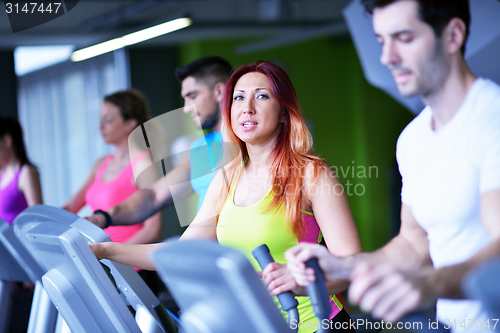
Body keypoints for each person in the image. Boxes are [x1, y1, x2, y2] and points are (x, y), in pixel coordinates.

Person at [90, 61, 362, 333]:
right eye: (239, 98)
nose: (247, 107)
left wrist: (299, 280)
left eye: (262, 96)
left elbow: (351, 266)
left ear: (283, 112)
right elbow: (178, 253)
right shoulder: (226, 179)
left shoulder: (311, 174)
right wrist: (104, 250)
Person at [285, 0, 500, 328]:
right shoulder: (413, 140)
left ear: (453, 36)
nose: (387, 57)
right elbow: (413, 244)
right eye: (382, 41)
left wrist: (426, 284)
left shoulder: (491, 119)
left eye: (404, 38)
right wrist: (346, 267)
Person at [86, 56, 232, 227]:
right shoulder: (197, 149)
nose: (186, 108)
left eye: (193, 96)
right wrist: (104, 217)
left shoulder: (250, 142)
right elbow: (154, 196)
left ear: (219, 92)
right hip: (211, 249)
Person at [62, 90, 162, 246]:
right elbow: (70, 207)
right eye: (100, 120)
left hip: (130, 265)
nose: (100, 126)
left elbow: (152, 230)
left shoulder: (143, 164)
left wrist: (117, 257)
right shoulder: (101, 164)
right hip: (102, 259)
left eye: (107, 120)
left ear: (130, 124)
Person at [0, 116, 42, 224]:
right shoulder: (2, 174)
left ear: (7, 141)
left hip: (17, 240)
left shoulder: (26, 173)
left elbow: (39, 218)